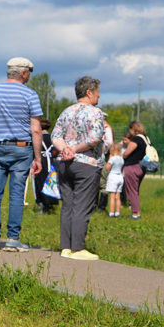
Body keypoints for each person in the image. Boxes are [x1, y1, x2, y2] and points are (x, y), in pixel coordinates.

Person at [0, 56, 43, 252]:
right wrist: (38, 158)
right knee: (16, 194)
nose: (29, 76)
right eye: (29, 72)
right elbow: (36, 129)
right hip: (21, 149)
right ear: (23, 73)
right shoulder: (30, 95)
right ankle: (13, 239)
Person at [50, 76, 106, 261]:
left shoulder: (66, 112)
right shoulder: (95, 113)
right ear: (89, 93)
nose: (98, 96)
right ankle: (78, 248)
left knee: (68, 205)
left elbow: (55, 136)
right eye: (97, 92)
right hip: (87, 164)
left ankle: (65, 247)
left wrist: (65, 149)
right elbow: (95, 137)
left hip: (64, 163)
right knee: (82, 206)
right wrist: (74, 149)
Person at [120, 120, 148, 220]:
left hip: (132, 166)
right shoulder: (146, 139)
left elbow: (127, 153)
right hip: (142, 167)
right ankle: (137, 211)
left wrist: (122, 155)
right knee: (135, 190)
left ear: (133, 129)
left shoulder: (136, 139)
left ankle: (135, 214)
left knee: (131, 191)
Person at [33, 119, 59, 215]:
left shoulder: (37, 137)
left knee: (39, 182)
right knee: (50, 182)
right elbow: (56, 151)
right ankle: (50, 205)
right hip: (51, 162)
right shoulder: (53, 138)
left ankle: (41, 204)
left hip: (40, 161)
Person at [105, 141, 125, 218]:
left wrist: (109, 160)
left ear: (112, 150)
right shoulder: (121, 159)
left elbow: (107, 168)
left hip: (113, 177)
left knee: (112, 197)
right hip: (120, 177)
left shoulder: (112, 158)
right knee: (118, 196)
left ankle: (111, 213)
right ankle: (117, 212)